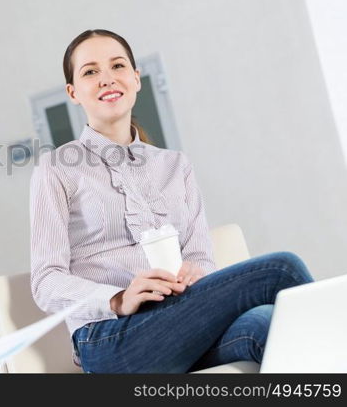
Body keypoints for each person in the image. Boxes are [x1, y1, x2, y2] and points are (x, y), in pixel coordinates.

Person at [29, 29, 314, 373]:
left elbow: (200, 258)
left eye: (117, 66)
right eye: (90, 72)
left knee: (266, 324)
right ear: (73, 93)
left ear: (136, 79)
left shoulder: (175, 165)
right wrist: (119, 299)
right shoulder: (57, 167)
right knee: (280, 269)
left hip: (183, 319)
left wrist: (197, 274)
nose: (106, 79)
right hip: (110, 339)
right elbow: (46, 282)